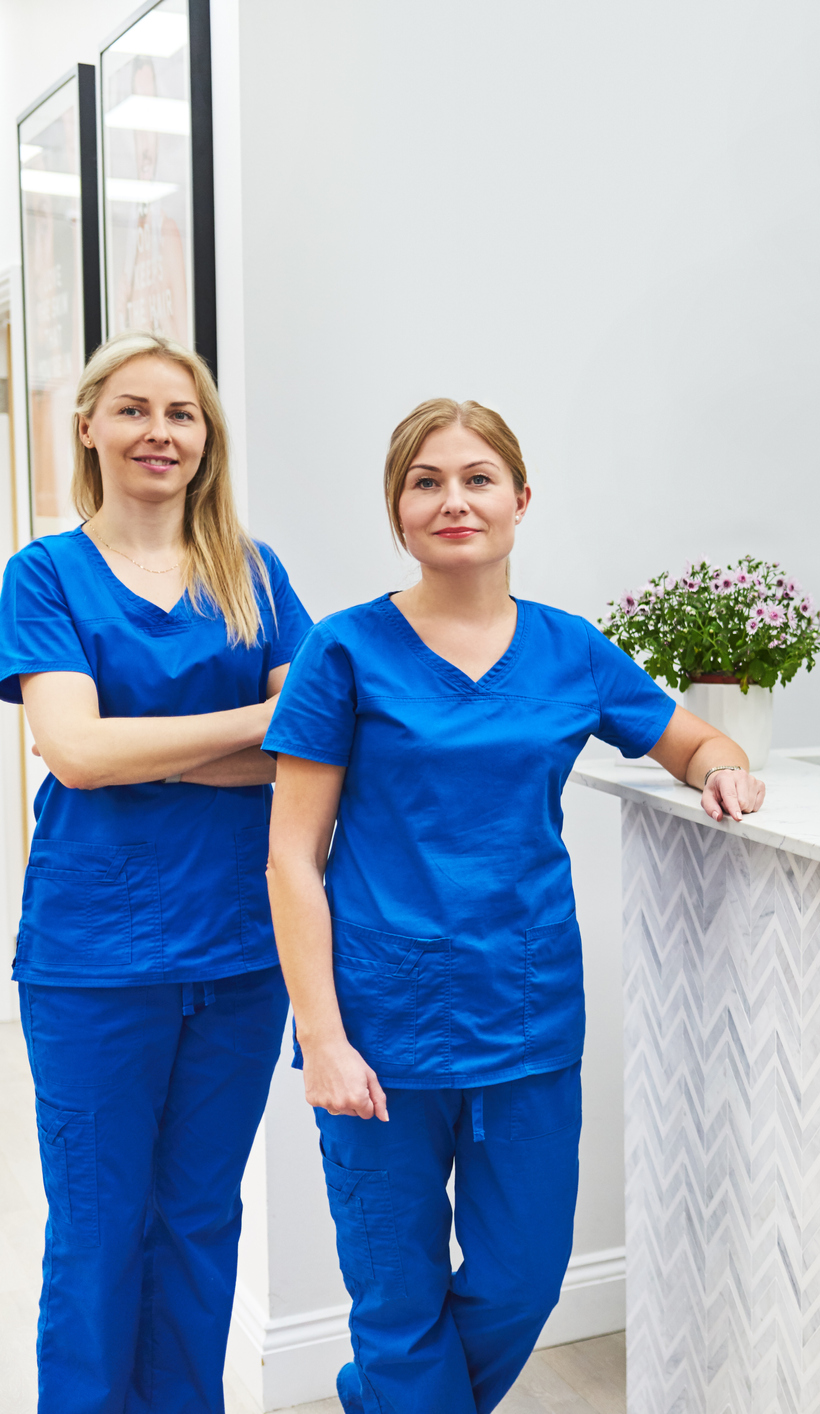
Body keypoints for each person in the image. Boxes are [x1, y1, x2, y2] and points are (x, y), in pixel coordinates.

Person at [263, 398, 766, 1414]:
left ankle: (382, 1400)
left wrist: (725, 770)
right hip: (378, 1030)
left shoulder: (571, 651)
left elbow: (696, 739)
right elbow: (289, 855)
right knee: (396, 1300)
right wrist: (320, 1035)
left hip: (524, 1020)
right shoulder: (345, 652)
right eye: (426, 481)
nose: (454, 499)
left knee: (523, 1280)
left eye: (478, 478)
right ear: (398, 512)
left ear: (520, 500)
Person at [0, 332, 313, 1413]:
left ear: (207, 436)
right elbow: (74, 753)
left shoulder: (255, 573)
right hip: (95, 955)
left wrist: (151, 739)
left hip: (238, 949)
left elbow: (310, 747)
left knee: (197, 1221)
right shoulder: (44, 574)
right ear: (86, 425)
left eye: (180, 414)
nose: (158, 433)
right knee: (97, 1230)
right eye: (131, 410)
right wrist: (250, 727)